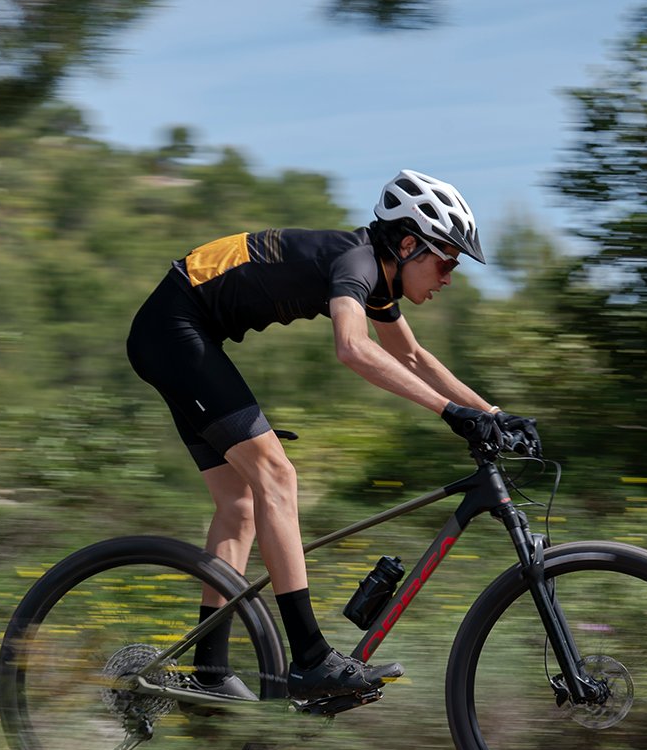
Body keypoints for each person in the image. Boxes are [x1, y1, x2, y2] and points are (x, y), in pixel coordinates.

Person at [126, 169, 540, 703]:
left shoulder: (375, 273)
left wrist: (493, 414)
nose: (449, 276)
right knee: (276, 476)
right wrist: (450, 413)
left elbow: (411, 356)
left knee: (240, 505)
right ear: (410, 244)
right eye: (446, 260)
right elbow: (352, 347)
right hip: (173, 329)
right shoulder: (357, 262)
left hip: (181, 333)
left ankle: (210, 672)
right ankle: (311, 659)